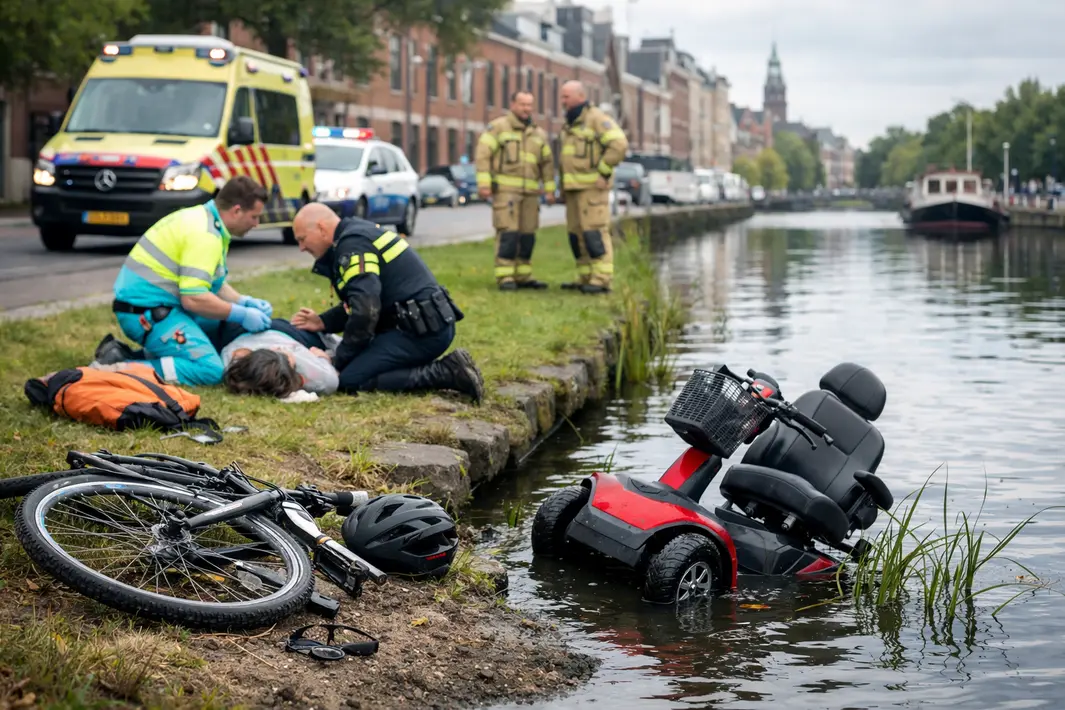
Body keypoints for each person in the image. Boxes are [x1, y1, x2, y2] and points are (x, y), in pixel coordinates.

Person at [288, 203, 485, 402]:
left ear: (322, 228)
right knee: (353, 366)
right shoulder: (357, 233)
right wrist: (323, 321)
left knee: (350, 379)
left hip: (419, 333)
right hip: (424, 324)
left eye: (302, 239)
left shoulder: (352, 245)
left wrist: (338, 358)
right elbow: (364, 302)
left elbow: (366, 312)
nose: (302, 248)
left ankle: (446, 371)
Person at [93, 176, 274, 385]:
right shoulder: (205, 236)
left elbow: (208, 283)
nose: (256, 224)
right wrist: (240, 314)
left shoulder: (204, 219)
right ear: (236, 210)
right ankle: (117, 370)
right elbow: (194, 299)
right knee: (211, 369)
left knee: (217, 329)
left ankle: (124, 355)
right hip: (147, 315)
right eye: (254, 217)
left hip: (149, 308)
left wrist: (243, 301)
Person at [475, 91, 556, 291]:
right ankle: (505, 277)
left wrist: (549, 189)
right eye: (522, 104)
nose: (526, 108)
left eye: (529, 105)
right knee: (508, 235)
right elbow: (483, 155)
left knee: (528, 235)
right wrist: (484, 184)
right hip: (506, 193)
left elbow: (547, 164)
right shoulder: (498, 128)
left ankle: (523, 275)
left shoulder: (539, 134)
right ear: (512, 105)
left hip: (530, 195)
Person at [557, 80, 629, 293]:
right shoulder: (570, 122)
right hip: (573, 188)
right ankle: (585, 275)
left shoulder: (596, 119)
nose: (563, 101)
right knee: (576, 234)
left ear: (580, 96)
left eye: (566, 97)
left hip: (591, 188)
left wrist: (604, 171)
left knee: (594, 232)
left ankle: (601, 278)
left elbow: (619, 144)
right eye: (562, 97)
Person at [221, 323, 340, 397]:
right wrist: (323, 358)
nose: (278, 348)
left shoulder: (232, 356)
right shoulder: (300, 360)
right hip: (281, 332)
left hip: (250, 331)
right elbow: (330, 379)